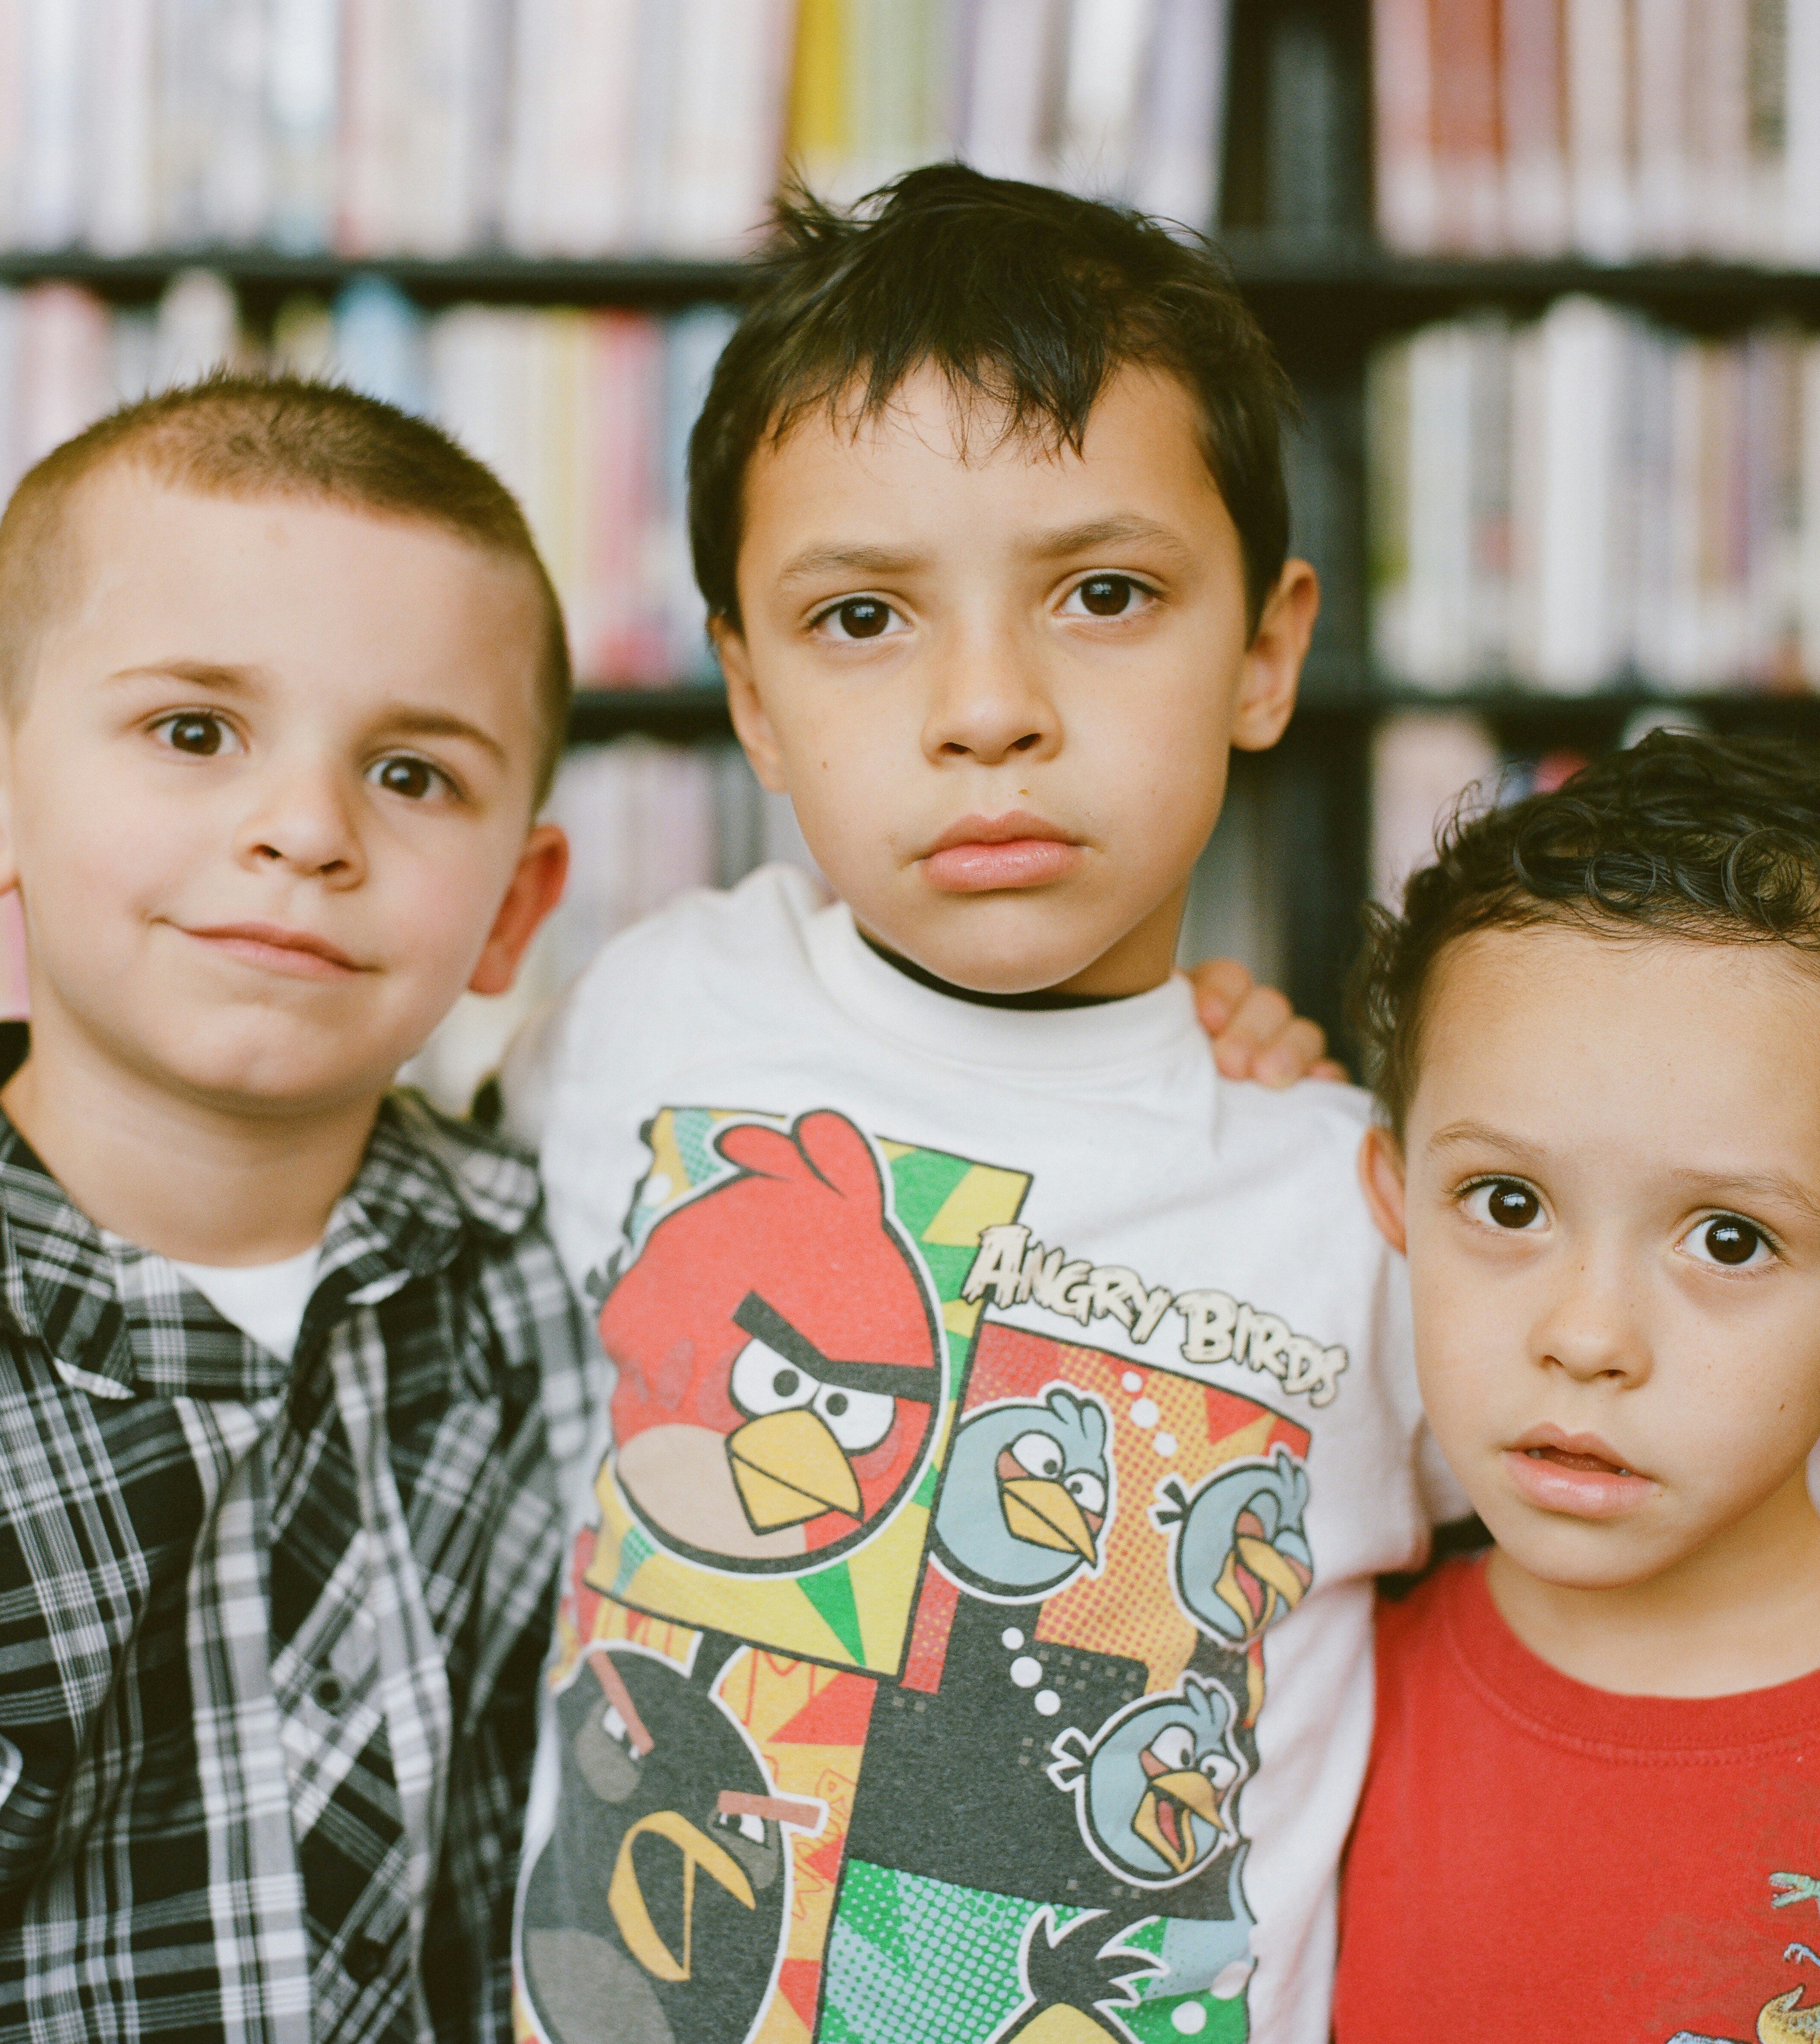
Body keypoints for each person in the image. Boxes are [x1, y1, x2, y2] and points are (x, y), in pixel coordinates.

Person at [502, 164, 1449, 2044]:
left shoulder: (1361, 1202)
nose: (988, 706)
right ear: (750, 698)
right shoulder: (638, 1014)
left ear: (1266, 648)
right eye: (864, 617)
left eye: (1104, 592)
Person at [0, 377, 596, 2042]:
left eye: (416, 773)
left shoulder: (566, 1267)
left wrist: (1207, 1040)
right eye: (195, 730)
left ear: (513, 905)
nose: (305, 831)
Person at [1333, 732, 1820, 2040]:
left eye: (1728, 1238)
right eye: (1508, 1202)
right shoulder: (1306, 1694)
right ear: (1395, 1204)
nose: (1589, 1335)